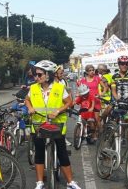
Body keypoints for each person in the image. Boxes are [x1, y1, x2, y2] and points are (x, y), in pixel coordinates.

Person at [24, 60, 80, 189]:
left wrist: (58, 111)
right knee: (39, 153)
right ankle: (39, 183)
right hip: (38, 124)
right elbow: (27, 100)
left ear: (48, 74)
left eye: (39, 74)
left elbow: (69, 102)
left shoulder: (59, 87)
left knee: (62, 153)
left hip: (57, 125)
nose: (36, 77)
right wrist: (30, 108)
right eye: (35, 75)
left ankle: (70, 182)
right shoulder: (33, 87)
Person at [77, 64, 103, 134]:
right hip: (86, 101)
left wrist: (101, 94)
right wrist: (78, 96)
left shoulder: (97, 78)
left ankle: (101, 134)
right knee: (87, 119)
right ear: (86, 72)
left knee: (96, 119)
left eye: (93, 70)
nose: (92, 72)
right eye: (90, 70)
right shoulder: (82, 80)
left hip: (96, 101)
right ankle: (89, 133)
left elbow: (105, 87)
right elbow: (79, 90)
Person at [54, 65, 73, 146]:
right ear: (55, 74)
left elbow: (69, 92)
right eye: (61, 73)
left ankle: (63, 139)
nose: (62, 75)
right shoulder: (51, 83)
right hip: (53, 106)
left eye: (62, 73)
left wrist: (71, 103)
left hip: (63, 107)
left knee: (63, 125)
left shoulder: (64, 81)